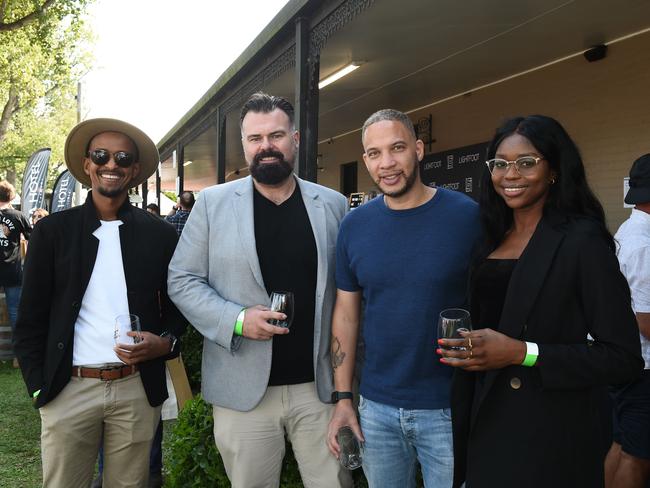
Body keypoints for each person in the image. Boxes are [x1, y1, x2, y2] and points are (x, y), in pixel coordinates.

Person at [438, 115, 643, 488]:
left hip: (549, 433)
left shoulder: (581, 241)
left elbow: (623, 357)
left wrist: (522, 352)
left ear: (553, 169)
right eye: (500, 164)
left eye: (526, 162)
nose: (510, 174)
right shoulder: (490, 235)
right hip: (485, 417)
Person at [168, 92, 351, 488]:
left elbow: (350, 294)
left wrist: (346, 389)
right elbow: (181, 280)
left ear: (296, 139)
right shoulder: (212, 205)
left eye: (276, 135)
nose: (266, 146)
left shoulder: (333, 206)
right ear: (244, 145)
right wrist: (236, 320)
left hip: (318, 389)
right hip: (243, 390)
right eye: (255, 138)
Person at [13, 118, 186, 488]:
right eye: (101, 155)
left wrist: (166, 342)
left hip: (135, 388)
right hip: (69, 388)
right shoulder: (52, 232)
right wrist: (40, 389)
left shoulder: (159, 234)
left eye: (123, 157)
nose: (112, 165)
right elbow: (29, 320)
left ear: (135, 170)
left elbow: (178, 307)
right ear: (88, 164)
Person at [326, 109, 480, 488]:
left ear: (419, 149)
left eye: (397, 148)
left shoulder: (468, 217)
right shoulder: (354, 226)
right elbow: (346, 314)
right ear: (365, 160)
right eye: (374, 153)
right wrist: (344, 398)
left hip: (448, 407)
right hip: (377, 408)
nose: (387, 163)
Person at [605, 153, 650, 488]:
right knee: (638, 453)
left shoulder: (628, 228)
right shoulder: (644, 244)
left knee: (621, 444)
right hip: (643, 369)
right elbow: (646, 320)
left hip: (625, 364)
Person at [0, 180, 31, 331]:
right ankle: (18, 352)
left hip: (12, 271)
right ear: (11, 197)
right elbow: (34, 239)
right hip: (12, 270)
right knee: (14, 311)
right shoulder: (18, 216)